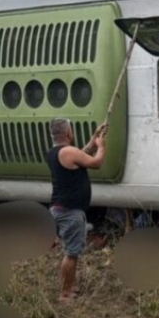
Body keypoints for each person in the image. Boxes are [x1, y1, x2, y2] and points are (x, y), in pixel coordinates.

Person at [46, 118, 107, 303]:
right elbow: (96, 162)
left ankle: (70, 285)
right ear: (68, 133)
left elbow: (83, 153)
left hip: (61, 208)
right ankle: (65, 294)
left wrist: (94, 137)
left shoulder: (55, 152)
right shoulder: (68, 151)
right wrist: (102, 146)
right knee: (71, 253)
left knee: (71, 251)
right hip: (69, 211)